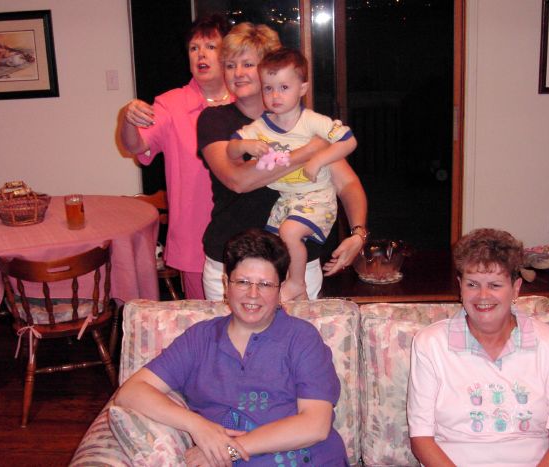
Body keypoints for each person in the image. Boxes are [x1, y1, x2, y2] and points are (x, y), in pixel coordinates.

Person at [115, 228, 349, 466]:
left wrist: (230, 449)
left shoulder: (301, 338)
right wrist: (197, 426)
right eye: (243, 282)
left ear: (280, 290)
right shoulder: (199, 340)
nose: (253, 294)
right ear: (226, 284)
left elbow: (315, 425)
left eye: (265, 284)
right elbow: (131, 392)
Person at [197, 22, 368, 301]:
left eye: (247, 64)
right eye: (230, 65)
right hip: (231, 264)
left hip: (294, 266)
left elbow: (347, 183)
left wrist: (358, 234)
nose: (238, 73)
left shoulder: (303, 121)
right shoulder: (215, 120)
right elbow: (237, 180)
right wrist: (308, 151)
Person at [407, 228, 549, 466]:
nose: (483, 295)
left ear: (516, 288)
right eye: (472, 284)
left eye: (495, 285)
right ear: (460, 286)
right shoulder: (430, 344)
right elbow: (421, 438)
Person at [227, 48, 357, 301]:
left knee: (290, 233)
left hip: (317, 197)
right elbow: (231, 150)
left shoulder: (312, 121)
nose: (275, 95)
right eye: (268, 88)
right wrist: (244, 146)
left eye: (284, 87)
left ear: (303, 88)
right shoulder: (261, 126)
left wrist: (318, 159)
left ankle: (297, 283)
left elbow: (349, 141)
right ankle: (297, 294)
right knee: (277, 247)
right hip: (287, 201)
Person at [119, 14, 231, 299]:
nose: (201, 54)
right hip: (196, 238)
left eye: (211, 47)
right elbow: (136, 145)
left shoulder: (247, 101)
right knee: (205, 319)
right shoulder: (170, 104)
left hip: (245, 229)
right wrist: (128, 120)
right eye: (194, 48)